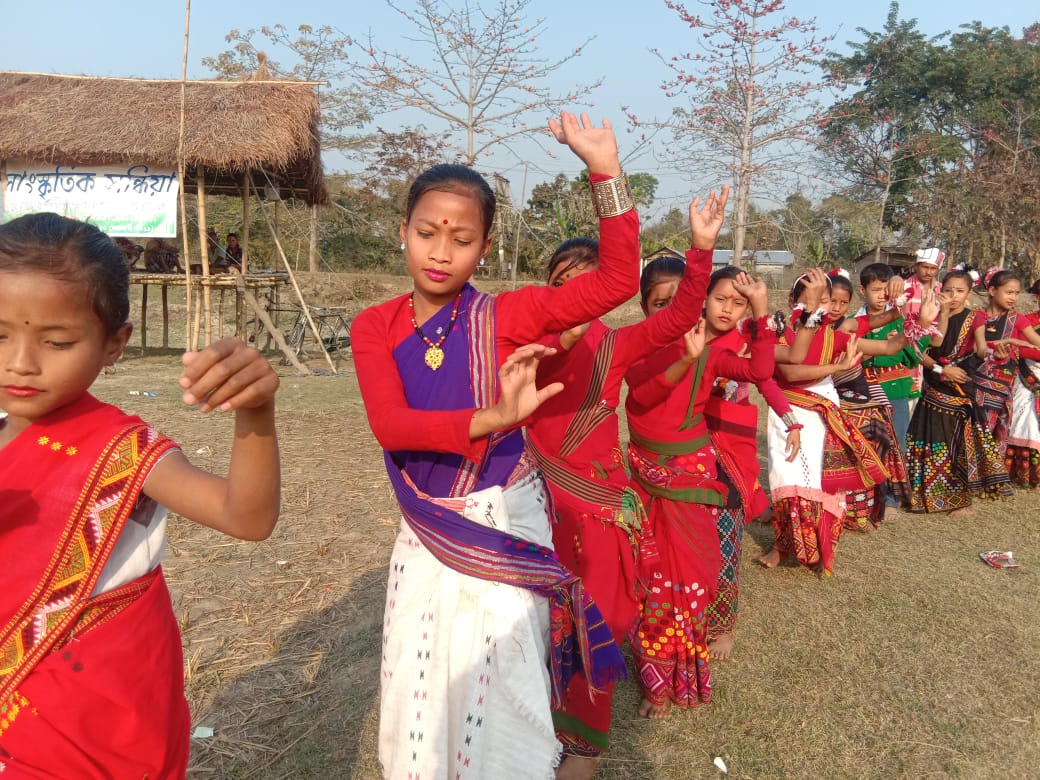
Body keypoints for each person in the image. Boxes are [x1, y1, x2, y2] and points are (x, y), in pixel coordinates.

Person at [350, 111, 635, 780]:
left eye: (461, 238)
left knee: (503, 685)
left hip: (506, 517)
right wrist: (493, 416)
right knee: (421, 689)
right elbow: (391, 428)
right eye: (426, 233)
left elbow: (618, 282)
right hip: (432, 531)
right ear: (403, 234)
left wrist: (605, 172)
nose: (440, 252)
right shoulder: (375, 326)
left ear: (484, 249)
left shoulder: (506, 316)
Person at [0, 212, 281, 776]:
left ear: (114, 344)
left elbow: (245, 517)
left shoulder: (122, 449)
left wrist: (255, 412)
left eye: (57, 341)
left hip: (88, 726)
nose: (20, 363)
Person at [527, 188, 728, 775]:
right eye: (563, 277)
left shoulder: (614, 345)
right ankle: (531, 725)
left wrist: (702, 248)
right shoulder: (522, 342)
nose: (576, 288)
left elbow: (681, 313)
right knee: (531, 629)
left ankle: (580, 747)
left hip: (598, 515)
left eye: (590, 277)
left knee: (601, 626)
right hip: (535, 509)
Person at [622, 261, 778, 718]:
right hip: (646, 475)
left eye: (738, 302)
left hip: (689, 480)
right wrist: (684, 360)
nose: (727, 309)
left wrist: (763, 313)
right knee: (647, 580)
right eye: (661, 305)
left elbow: (762, 371)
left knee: (689, 581)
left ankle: (680, 671)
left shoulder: (714, 354)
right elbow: (640, 398)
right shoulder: (645, 346)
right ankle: (654, 676)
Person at [758, 271, 890, 575]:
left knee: (816, 481)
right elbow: (789, 374)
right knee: (785, 479)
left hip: (820, 412)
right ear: (793, 301)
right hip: (786, 411)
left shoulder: (835, 336)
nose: (821, 307)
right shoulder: (777, 333)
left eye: (824, 301)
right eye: (811, 301)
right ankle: (781, 546)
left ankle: (817, 544)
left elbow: (888, 348)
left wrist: (915, 320)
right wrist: (837, 366)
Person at [907, 268, 1013, 514]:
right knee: (930, 439)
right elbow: (922, 350)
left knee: (957, 443)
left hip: (961, 385)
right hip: (934, 384)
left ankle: (961, 500)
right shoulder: (928, 315)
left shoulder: (975, 317)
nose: (953, 295)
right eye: (948, 290)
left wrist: (994, 353)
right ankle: (924, 495)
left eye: (960, 291)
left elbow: (980, 349)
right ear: (940, 290)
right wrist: (942, 371)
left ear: (968, 293)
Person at [827, 270, 914, 529]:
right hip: (843, 394)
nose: (836, 307)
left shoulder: (852, 324)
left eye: (843, 303)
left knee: (890, 444)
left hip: (887, 390)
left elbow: (896, 349)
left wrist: (912, 318)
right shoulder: (847, 323)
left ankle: (887, 500)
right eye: (831, 301)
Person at [973, 269, 1040, 457]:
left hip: (1004, 383)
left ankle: (992, 472)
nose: (1013, 298)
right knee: (976, 425)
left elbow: (1036, 342)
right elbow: (970, 348)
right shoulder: (976, 316)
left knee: (997, 427)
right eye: (1009, 292)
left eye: (1017, 293)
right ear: (992, 290)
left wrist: (1015, 346)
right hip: (975, 380)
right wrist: (1006, 343)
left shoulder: (1017, 319)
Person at [1006, 279, 1040, 486]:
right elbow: (1014, 347)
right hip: (1026, 378)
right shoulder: (1025, 321)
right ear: (1037, 297)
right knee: (1023, 423)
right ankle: (1023, 474)